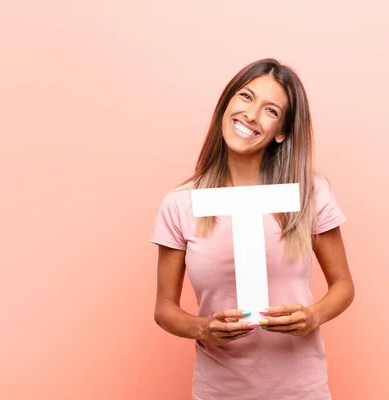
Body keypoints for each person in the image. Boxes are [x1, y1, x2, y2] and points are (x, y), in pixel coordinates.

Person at [151, 58, 354, 400]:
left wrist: (313, 315)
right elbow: (164, 307)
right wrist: (203, 328)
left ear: (282, 132)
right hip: (220, 391)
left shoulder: (308, 194)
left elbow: (343, 284)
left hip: (300, 390)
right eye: (246, 97)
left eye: (270, 110)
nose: (251, 114)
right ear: (227, 102)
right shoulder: (181, 203)